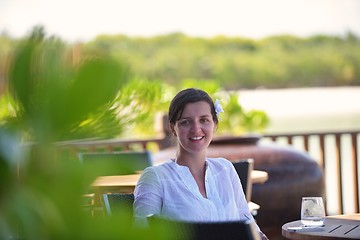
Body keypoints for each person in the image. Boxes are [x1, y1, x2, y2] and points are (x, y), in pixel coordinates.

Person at [133, 88, 268, 239]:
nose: (196, 129)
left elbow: (246, 220)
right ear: (173, 128)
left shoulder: (225, 169)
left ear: (214, 124)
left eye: (204, 120)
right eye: (186, 122)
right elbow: (142, 232)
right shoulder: (155, 177)